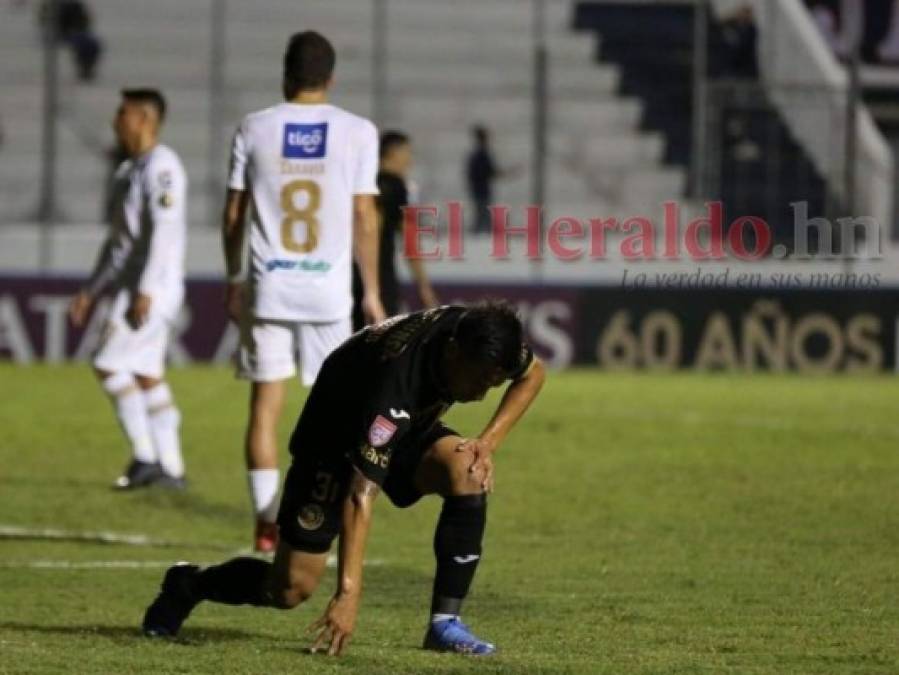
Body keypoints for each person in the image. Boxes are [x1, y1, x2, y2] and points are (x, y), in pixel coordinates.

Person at [143, 301, 545, 656]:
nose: (481, 393)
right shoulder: (394, 383)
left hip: (407, 427)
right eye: (478, 380)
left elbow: (534, 375)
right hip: (332, 442)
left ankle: (444, 625)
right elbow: (360, 494)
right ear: (454, 352)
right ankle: (189, 585)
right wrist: (348, 593)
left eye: (492, 383)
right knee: (291, 589)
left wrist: (487, 443)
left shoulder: (479, 335)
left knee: (468, 469)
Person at [222, 31, 386, 553]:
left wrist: (233, 278)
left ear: (285, 75)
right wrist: (373, 292)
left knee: (265, 405)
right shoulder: (358, 132)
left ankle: (268, 523)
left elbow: (232, 215)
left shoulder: (255, 127)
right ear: (331, 78)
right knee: (335, 411)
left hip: (269, 287)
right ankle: (318, 516)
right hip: (327, 294)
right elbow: (364, 213)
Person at [68, 89, 187, 490]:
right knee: (147, 374)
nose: (115, 120)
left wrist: (147, 289)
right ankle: (170, 467)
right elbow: (117, 243)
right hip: (133, 285)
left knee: (106, 362)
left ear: (144, 118)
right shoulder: (128, 171)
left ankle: (146, 457)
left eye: (123, 113)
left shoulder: (163, 167)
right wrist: (91, 289)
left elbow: (165, 233)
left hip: (151, 287)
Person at [351, 130, 439, 331]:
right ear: (393, 153)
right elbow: (410, 239)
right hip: (382, 278)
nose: (410, 160)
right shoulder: (396, 186)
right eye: (407, 153)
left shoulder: (362, 184)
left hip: (350, 275)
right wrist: (423, 285)